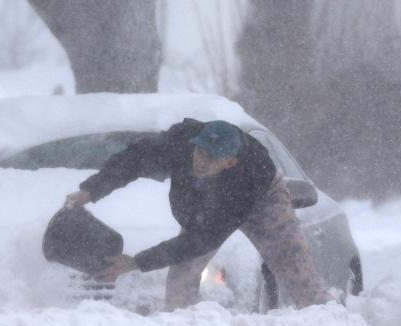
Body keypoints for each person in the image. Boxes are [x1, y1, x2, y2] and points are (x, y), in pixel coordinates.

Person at [64, 119, 330, 311]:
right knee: (181, 279)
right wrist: (91, 190)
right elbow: (132, 160)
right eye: (200, 151)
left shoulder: (246, 179)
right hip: (206, 207)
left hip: (263, 199)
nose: (201, 161)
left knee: (294, 265)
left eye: (212, 157)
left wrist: (136, 262)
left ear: (230, 161)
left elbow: (202, 239)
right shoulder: (178, 143)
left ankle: (324, 323)